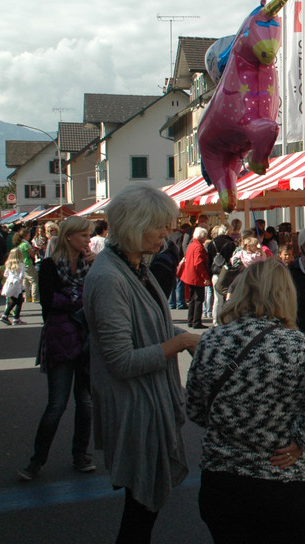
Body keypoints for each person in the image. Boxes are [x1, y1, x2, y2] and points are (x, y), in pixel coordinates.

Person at [185, 261, 305, 544]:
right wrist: (303, 438)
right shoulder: (298, 345)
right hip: (284, 478)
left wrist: (232, 423)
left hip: (224, 478)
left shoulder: (212, 341)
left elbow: (194, 407)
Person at [82, 185, 200, 542]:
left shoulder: (133, 266)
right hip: (134, 406)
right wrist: (180, 342)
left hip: (144, 402)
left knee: (142, 509)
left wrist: (197, 337)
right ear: (134, 224)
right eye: (160, 226)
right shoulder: (109, 278)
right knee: (140, 511)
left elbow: (155, 325)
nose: (166, 233)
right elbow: (121, 360)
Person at [18, 215, 97, 482]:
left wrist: (94, 272)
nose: (88, 240)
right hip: (60, 339)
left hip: (86, 339)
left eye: (89, 235)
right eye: (84, 235)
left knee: (85, 402)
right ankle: (37, 460)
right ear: (68, 237)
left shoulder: (92, 265)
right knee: (57, 404)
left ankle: (81, 455)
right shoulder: (50, 266)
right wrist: (79, 298)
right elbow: (49, 302)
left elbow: (97, 298)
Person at [178, 227, 210, 329]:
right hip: (196, 276)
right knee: (198, 299)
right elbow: (198, 263)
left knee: (192, 299)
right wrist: (205, 276)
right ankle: (196, 321)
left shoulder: (192, 245)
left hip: (190, 275)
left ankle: (190, 320)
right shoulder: (198, 247)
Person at [206, 224, 236, 327]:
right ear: (227, 232)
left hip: (215, 273)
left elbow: (208, 261)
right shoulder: (231, 244)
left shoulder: (212, 243)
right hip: (228, 273)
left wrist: (208, 275)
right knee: (229, 297)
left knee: (217, 299)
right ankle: (227, 319)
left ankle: (215, 321)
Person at [0, 248, 28, 325]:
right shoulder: (21, 264)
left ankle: (13, 316)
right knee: (18, 301)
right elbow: (22, 276)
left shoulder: (8, 264)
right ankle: (10, 316)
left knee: (16, 301)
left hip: (9, 283)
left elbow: (6, 274)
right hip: (17, 284)